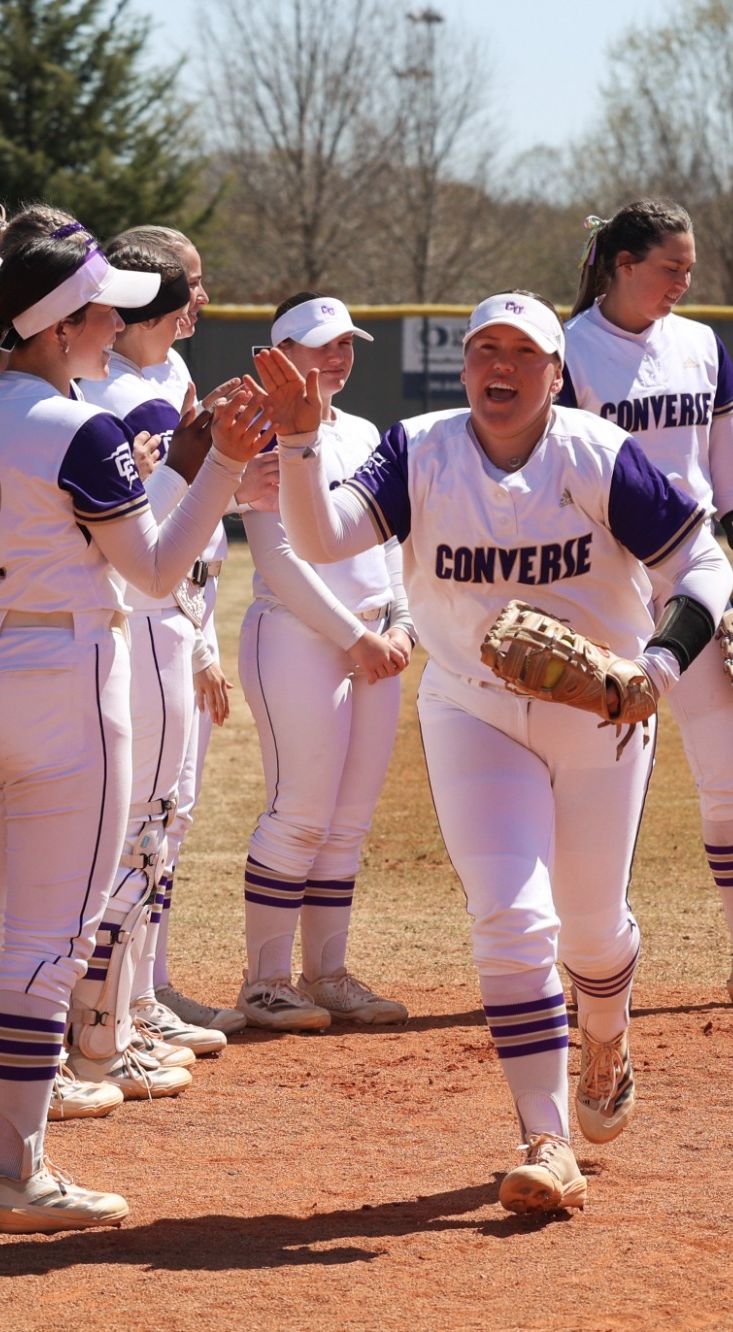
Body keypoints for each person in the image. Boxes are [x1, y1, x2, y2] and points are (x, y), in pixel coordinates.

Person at [272, 292, 732, 1215]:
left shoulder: (594, 454)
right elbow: (322, 538)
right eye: (486, 347)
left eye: (525, 351)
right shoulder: (421, 448)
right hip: (471, 709)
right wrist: (298, 443)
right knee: (513, 918)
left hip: (599, 714)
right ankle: (544, 1137)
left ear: (557, 375)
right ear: (466, 365)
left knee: (593, 929)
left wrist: (657, 663)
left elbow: (703, 564)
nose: (502, 364)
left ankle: (607, 1028)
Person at [0, 210, 270, 1231]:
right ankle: (17, 1169)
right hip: (58, 677)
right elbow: (159, 572)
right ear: (59, 322)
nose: (109, 327)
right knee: (46, 938)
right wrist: (221, 468)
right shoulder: (77, 427)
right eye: (95, 312)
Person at [559, 202, 733, 1011]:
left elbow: (732, 478)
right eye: (670, 267)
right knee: (591, 776)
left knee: (732, 773)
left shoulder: (701, 346)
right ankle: (584, 955)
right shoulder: (568, 351)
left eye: (690, 271)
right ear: (623, 263)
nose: (684, 282)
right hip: (603, 585)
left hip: (694, 580)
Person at [77, 224, 258, 1068]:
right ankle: (108, 1018)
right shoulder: (97, 388)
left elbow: (200, 497)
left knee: (167, 821)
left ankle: (141, 995)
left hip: (186, 600)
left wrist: (205, 639)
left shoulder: (174, 374)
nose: (201, 299)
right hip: (140, 603)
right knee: (138, 820)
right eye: (190, 284)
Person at [233, 293, 413, 1032]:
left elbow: (386, 536)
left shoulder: (366, 430)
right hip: (299, 637)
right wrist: (354, 636)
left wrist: (399, 617)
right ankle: (267, 981)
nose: (336, 356)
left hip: (373, 637)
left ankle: (328, 974)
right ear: (279, 358)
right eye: (318, 345)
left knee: (347, 823)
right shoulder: (261, 433)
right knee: (301, 812)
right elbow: (277, 558)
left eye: (345, 344)